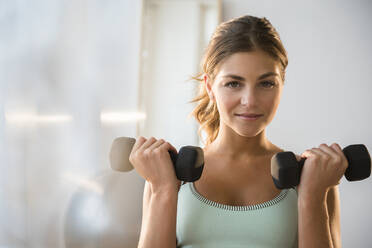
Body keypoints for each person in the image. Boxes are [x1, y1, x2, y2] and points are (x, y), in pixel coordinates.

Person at [129, 15, 347, 248]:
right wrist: (163, 190)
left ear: (282, 84)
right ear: (210, 87)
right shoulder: (168, 176)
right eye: (234, 83)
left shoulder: (314, 177)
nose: (250, 101)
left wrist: (312, 197)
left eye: (266, 83)